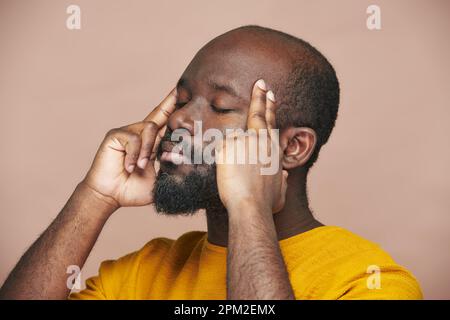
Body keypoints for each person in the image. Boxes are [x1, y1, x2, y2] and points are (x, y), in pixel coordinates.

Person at [0, 25, 422, 300]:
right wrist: (95, 196)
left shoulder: (370, 282)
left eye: (220, 107)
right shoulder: (143, 273)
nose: (180, 119)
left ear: (293, 148)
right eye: (183, 100)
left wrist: (248, 207)